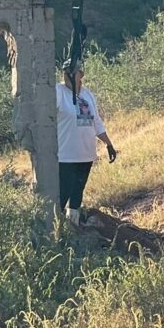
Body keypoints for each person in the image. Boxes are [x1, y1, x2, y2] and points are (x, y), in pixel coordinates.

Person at [56, 58, 118, 225]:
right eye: (66, 72)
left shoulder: (88, 95)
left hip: (86, 153)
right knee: (63, 192)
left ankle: (73, 224)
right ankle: (56, 227)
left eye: (73, 72)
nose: (69, 75)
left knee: (77, 192)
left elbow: (96, 121)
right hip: (65, 155)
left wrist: (108, 143)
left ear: (81, 74)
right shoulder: (58, 92)